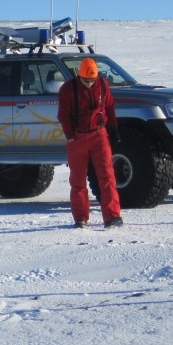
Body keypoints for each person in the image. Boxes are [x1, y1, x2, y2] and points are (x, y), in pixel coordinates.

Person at [57, 58, 123, 229]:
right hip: (77, 138)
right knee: (77, 180)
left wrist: (113, 130)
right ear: (79, 76)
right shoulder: (67, 89)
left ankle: (112, 216)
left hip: (99, 135)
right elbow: (63, 115)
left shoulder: (103, 85)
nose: (89, 83)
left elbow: (109, 107)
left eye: (92, 80)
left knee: (107, 176)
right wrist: (70, 136)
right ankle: (80, 218)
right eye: (86, 80)